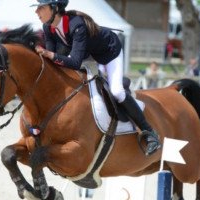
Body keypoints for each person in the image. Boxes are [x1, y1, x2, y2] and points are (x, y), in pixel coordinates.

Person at [31, 0, 161, 156]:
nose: (36, 12)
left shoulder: (76, 25)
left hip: (109, 53)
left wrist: (50, 54)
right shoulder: (48, 27)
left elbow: (73, 61)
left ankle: (150, 132)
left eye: (41, 8)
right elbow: (53, 63)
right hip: (90, 56)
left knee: (117, 91)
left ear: (55, 8)